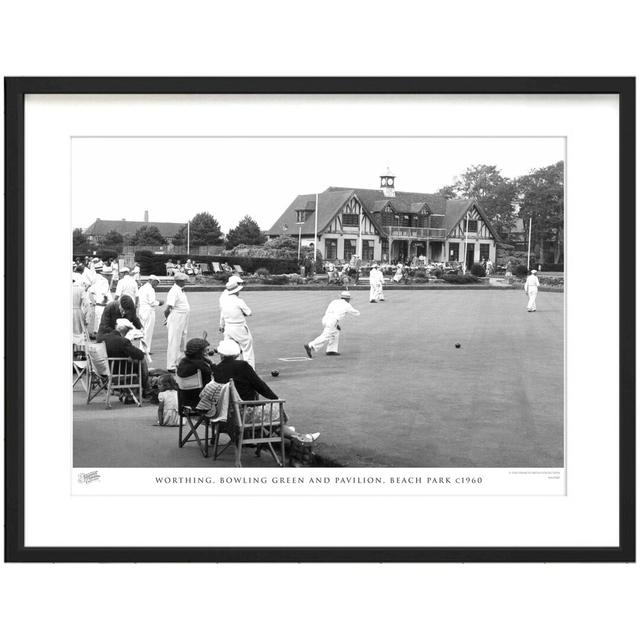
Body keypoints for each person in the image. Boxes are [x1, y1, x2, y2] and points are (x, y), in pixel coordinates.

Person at [101, 318, 150, 394]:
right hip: (118, 369)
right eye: (128, 330)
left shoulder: (103, 338)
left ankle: (143, 387)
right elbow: (140, 355)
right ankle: (146, 388)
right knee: (142, 361)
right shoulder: (123, 341)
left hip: (103, 368)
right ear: (124, 330)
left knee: (134, 360)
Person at [304, 291, 360, 357]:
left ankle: (331, 350)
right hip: (332, 321)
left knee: (335, 332)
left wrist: (336, 324)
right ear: (347, 299)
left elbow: (330, 312)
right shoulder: (347, 305)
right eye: (349, 299)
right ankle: (310, 345)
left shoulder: (334, 301)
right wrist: (359, 312)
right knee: (326, 335)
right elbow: (356, 313)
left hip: (325, 318)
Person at [219, 275, 255, 368]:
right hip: (239, 327)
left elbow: (222, 314)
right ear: (236, 291)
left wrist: (221, 325)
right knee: (247, 350)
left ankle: (231, 371)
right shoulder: (239, 301)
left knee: (231, 351)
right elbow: (249, 313)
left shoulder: (223, 300)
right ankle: (250, 372)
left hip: (228, 328)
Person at [176, 337, 216, 406]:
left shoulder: (182, 362)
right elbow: (216, 374)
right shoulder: (200, 365)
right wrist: (211, 362)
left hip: (184, 399)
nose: (208, 353)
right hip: (199, 400)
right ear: (200, 352)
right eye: (206, 350)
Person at [164, 272, 190, 371]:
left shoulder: (181, 290)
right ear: (179, 281)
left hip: (183, 317)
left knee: (182, 340)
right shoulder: (174, 291)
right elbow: (168, 308)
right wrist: (168, 319)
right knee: (174, 341)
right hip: (176, 317)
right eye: (184, 281)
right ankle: (171, 365)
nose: (185, 282)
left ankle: (179, 362)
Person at [138, 275, 164, 353]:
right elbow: (152, 302)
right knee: (148, 331)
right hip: (149, 311)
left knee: (143, 330)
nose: (156, 285)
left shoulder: (142, 288)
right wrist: (160, 303)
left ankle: (141, 348)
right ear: (152, 281)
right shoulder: (150, 289)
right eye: (156, 283)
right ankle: (145, 350)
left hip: (142, 309)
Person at [87, 265, 113, 334]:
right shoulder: (105, 281)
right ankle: (100, 335)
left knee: (97, 320)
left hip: (98, 305)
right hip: (102, 305)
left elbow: (90, 292)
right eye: (109, 275)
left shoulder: (97, 280)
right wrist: (104, 300)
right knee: (101, 321)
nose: (110, 276)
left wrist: (93, 302)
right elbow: (104, 294)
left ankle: (96, 333)